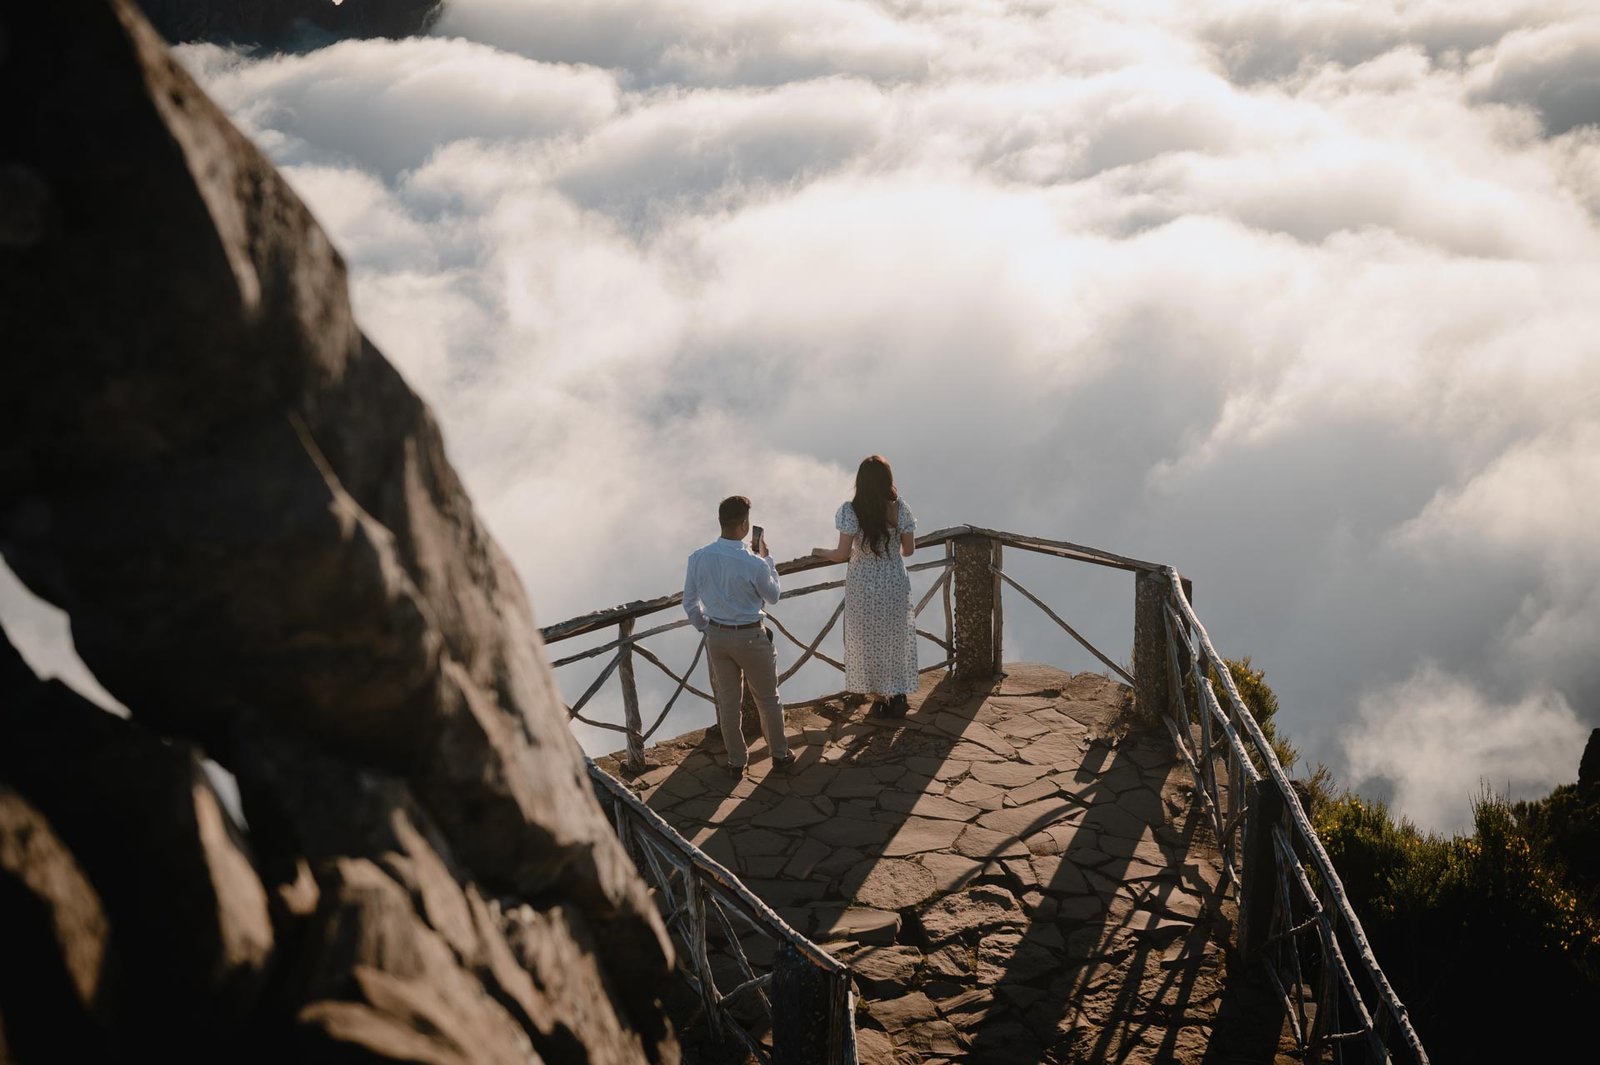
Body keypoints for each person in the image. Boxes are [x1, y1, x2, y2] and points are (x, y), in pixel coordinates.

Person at [683, 495, 795, 778]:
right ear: (745, 524)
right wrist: (767, 559)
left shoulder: (698, 557)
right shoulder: (753, 563)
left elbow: (689, 602)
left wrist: (705, 628)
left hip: (717, 637)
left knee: (728, 702)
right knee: (768, 699)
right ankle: (780, 755)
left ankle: (736, 761)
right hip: (750, 637)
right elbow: (774, 596)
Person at [811, 455, 917, 717]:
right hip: (893, 580)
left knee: (866, 640)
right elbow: (909, 550)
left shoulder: (850, 510)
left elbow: (841, 553)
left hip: (863, 583)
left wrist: (818, 551)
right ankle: (897, 692)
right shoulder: (900, 508)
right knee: (894, 637)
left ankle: (879, 695)